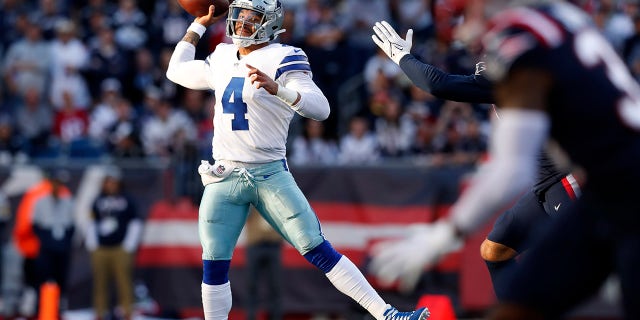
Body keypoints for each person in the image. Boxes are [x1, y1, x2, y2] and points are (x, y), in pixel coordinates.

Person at [368, 1, 640, 319]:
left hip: (605, 187)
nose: (465, 31)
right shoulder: (560, 19)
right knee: (500, 263)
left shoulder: (521, 45)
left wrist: (445, 233)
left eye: (465, 14)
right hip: (593, 184)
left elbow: (511, 169)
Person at [165, 1, 430, 320]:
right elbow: (176, 70)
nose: (242, 24)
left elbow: (321, 109)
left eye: (252, 19)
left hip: (269, 173)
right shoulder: (222, 55)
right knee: (215, 262)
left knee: (318, 248)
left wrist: (280, 91)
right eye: (240, 17)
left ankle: (385, 313)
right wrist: (199, 24)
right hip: (225, 173)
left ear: (271, 25)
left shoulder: (284, 57)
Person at [366, 20, 581, 298]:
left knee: (566, 271)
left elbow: (439, 84)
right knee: (495, 251)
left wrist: (402, 58)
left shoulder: (519, 70)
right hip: (545, 185)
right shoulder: (525, 63)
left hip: (570, 182)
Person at [13, 168, 75, 318]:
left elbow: (72, 225)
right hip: (42, 247)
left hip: (61, 247)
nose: (57, 187)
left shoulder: (67, 198)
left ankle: (58, 309)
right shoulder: (38, 197)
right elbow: (29, 224)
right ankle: (37, 309)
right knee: (39, 281)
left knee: (60, 280)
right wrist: (36, 243)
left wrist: (64, 242)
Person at [85, 166, 143, 320]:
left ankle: (127, 312)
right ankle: (99, 312)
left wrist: (128, 245)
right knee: (100, 282)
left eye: (114, 182)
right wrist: (93, 244)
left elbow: (135, 222)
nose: (111, 185)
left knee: (124, 281)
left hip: (120, 248)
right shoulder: (98, 200)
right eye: (108, 182)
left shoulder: (127, 199)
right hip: (101, 248)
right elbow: (91, 222)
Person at [244, 206, 283, 320]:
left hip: (273, 245)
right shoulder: (251, 197)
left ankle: (275, 316)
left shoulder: (276, 199)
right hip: (255, 244)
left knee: (275, 285)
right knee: (252, 285)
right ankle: (251, 316)